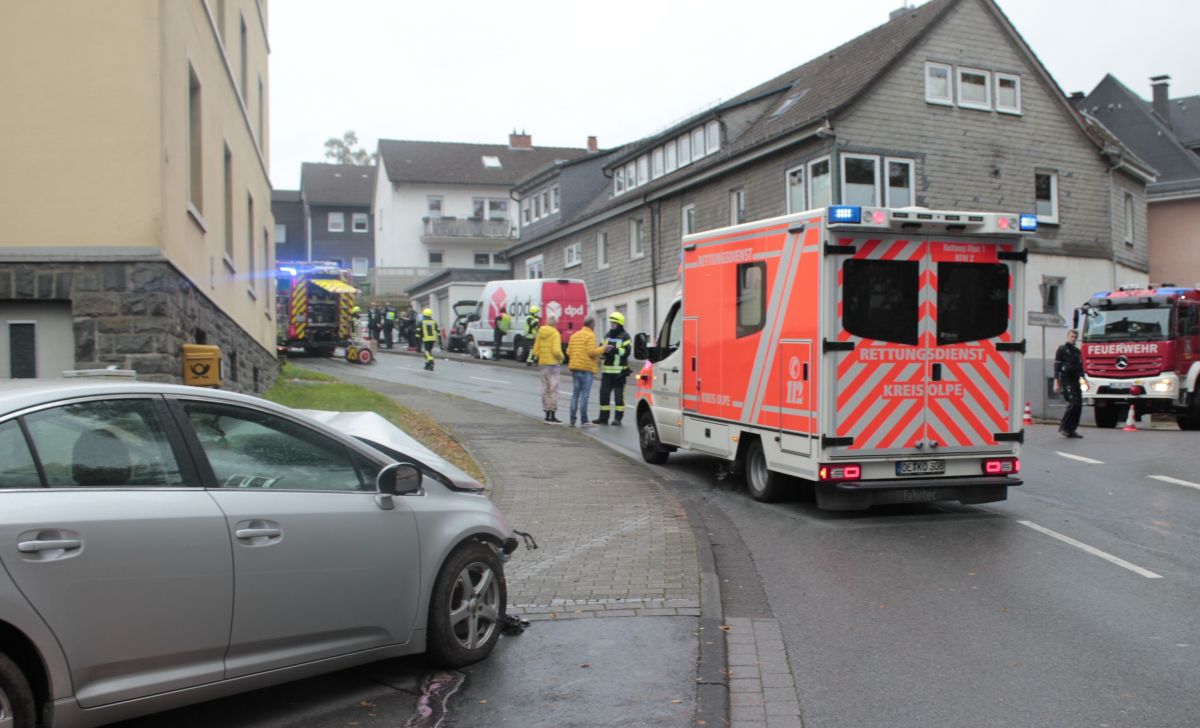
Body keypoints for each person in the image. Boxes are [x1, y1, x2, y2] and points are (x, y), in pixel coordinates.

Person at [566, 316, 606, 427]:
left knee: (575, 395)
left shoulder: (574, 336)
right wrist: (603, 348)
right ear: (592, 325)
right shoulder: (590, 335)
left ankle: (572, 420)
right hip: (586, 369)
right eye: (595, 325)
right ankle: (584, 420)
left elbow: (568, 351)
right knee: (585, 395)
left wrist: (577, 356)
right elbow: (591, 352)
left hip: (575, 368)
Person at [596, 311, 632, 425]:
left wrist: (614, 350)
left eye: (614, 323)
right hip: (606, 372)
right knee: (604, 396)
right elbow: (601, 348)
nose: (611, 325)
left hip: (619, 373)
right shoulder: (607, 335)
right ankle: (603, 418)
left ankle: (618, 419)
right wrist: (603, 350)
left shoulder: (625, 336)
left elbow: (627, 352)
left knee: (619, 398)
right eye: (611, 323)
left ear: (619, 324)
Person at [533, 314, 564, 423]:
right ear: (556, 323)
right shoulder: (555, 333)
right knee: (553, 390)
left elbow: (535, 350)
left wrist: (540, 356)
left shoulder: (540, 333)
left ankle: (546, 414)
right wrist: (561, 357)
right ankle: (552, 415)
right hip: (553, 365)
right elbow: (556, 351)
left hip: (543, 364)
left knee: (545, 389)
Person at [1054, 328, 1084, 438]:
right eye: (1072, 336)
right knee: (1073, 403)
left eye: (1075, 337)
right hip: (1066, 380)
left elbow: (1080, 368)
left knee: (1079, 404)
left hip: (1076, 380)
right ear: (1068, 337)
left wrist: (1084, 381)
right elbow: (1057, 366)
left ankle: (1072, 429)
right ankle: (1063, 427)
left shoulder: (1077, 351)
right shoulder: (1062, 349)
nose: (1073, 339)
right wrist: (1056, 382)